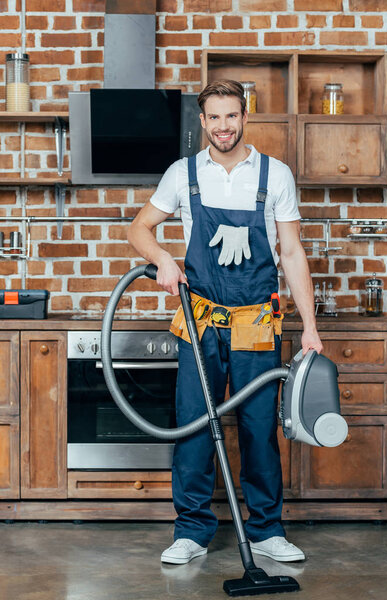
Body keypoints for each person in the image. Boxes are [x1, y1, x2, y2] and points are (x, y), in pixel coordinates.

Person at [128, 79, 323, 566]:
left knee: (259, 427)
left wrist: (311, 327)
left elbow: (293, 252)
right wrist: (164, 260)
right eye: (213, 117)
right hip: (202, 322)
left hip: (258, 323)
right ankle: (191, 531)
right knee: (195, 425)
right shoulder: (184, 174)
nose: (223, 126)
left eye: (231, 116)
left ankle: (266, 530)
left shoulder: (275, 175)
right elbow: (138, 228)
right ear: (202, 122)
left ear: (244, 115)